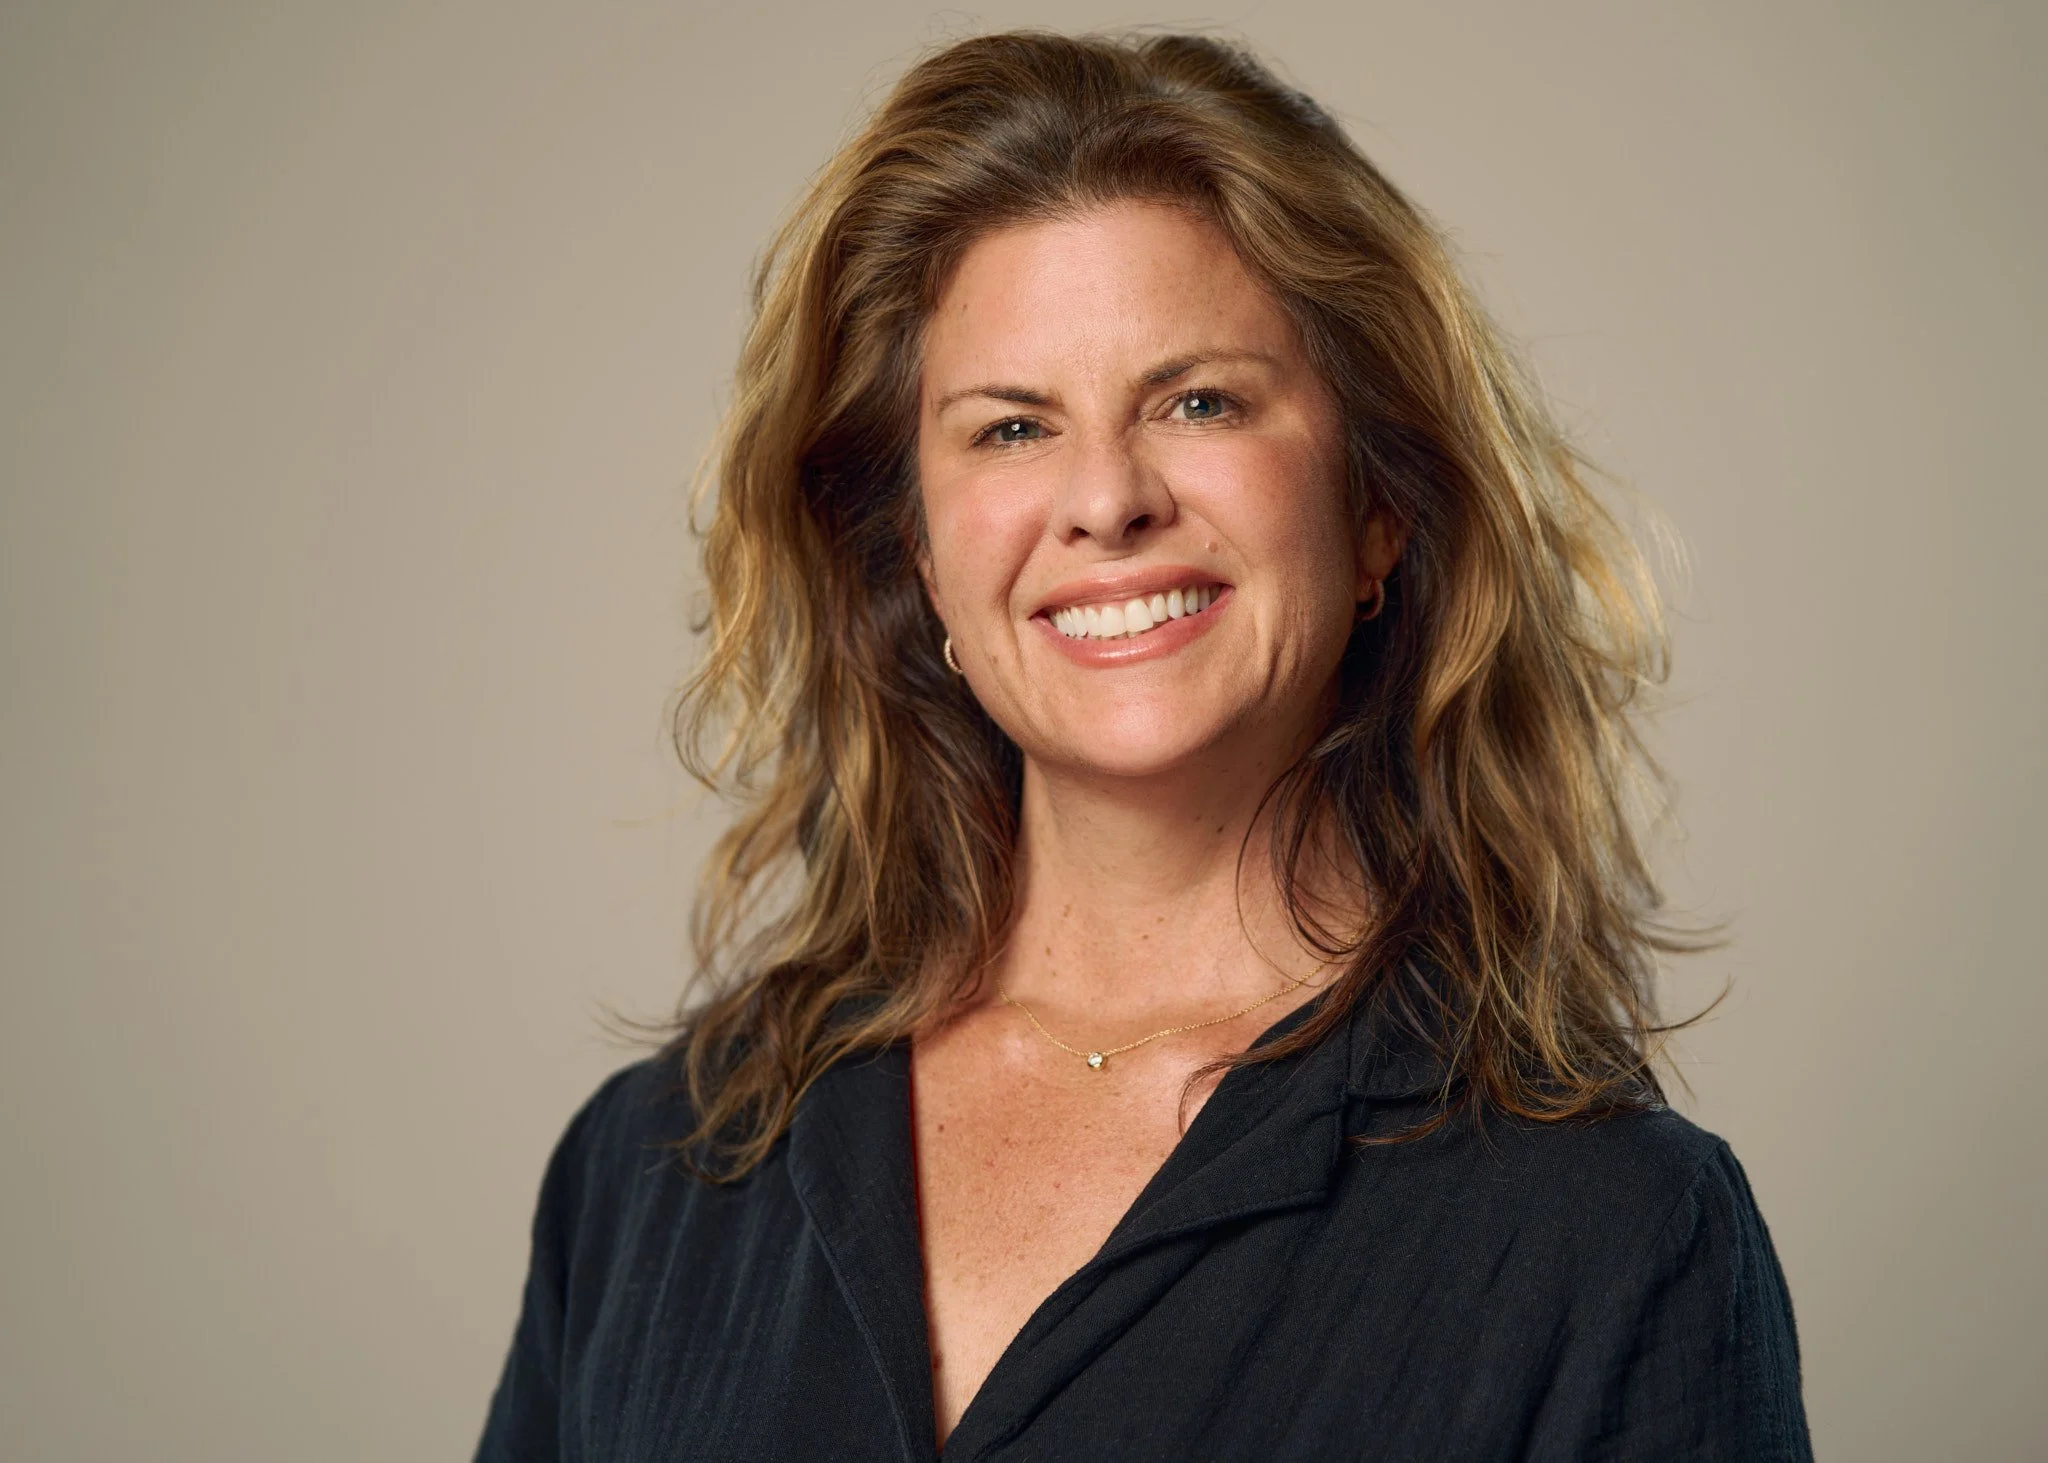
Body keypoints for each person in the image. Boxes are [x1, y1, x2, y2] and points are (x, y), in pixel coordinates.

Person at [476, 30, 1810, 1462]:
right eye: (1010, 428)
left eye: (1199, 402)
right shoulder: (658, 1168)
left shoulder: (1609, 1232)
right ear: (920, 553)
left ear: (1379, 507)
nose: (1106, 499)